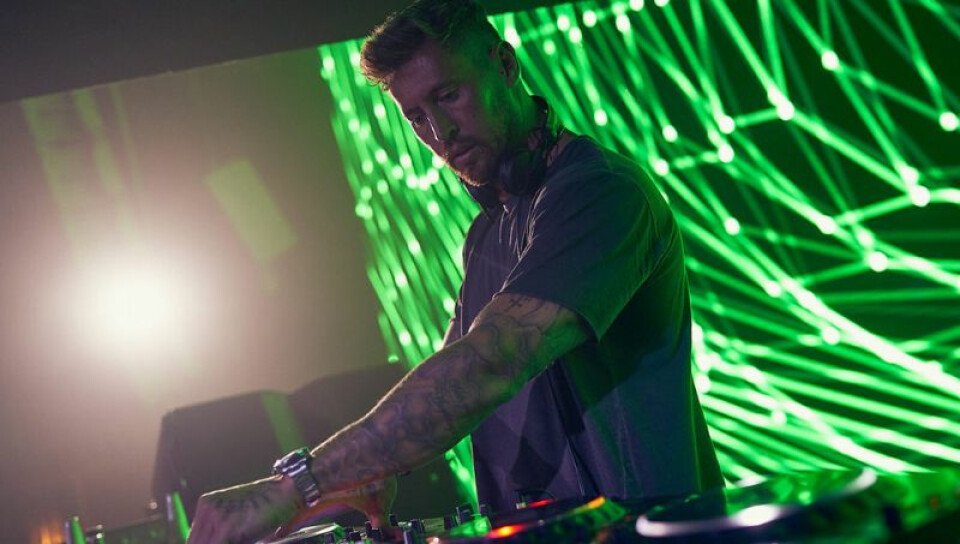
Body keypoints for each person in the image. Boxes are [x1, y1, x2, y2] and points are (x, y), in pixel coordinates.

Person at [187, 1, 722, 541]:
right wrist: (369, 473)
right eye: (416, 117)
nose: (439, 132)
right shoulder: (488, 233)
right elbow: (444, 382)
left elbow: (488, 363)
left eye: (448, 95)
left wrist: (293, 486)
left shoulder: (600, 194)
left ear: (505, 65)